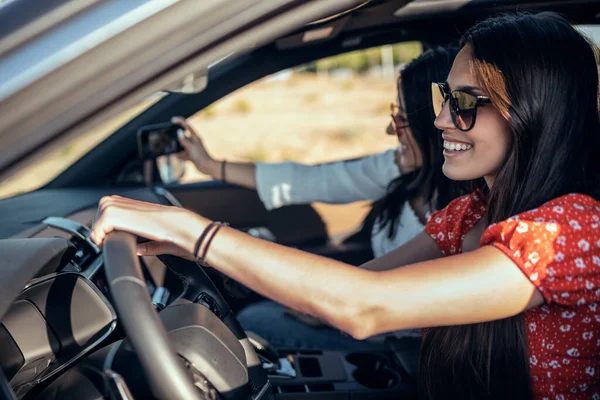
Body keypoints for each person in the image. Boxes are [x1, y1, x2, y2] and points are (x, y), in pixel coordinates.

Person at [91, 12, 600, 399]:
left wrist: (195, 232)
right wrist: (211, 260)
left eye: (465, 103)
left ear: (532, 112)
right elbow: (356, 283)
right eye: (445, 96)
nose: (441, 118)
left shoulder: (571, 233)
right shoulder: (469, 214)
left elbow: (366, 306)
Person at [174, 46, 464, 350]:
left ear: (435, 120)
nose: (391, 128)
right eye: (394, 113)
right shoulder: (399, 168)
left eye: (402, 118)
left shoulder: (473, 214)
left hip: (414, 343)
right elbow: (312, 180)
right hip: (368, 316)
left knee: (254, 324)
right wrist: (209, 165)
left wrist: (327, 309)